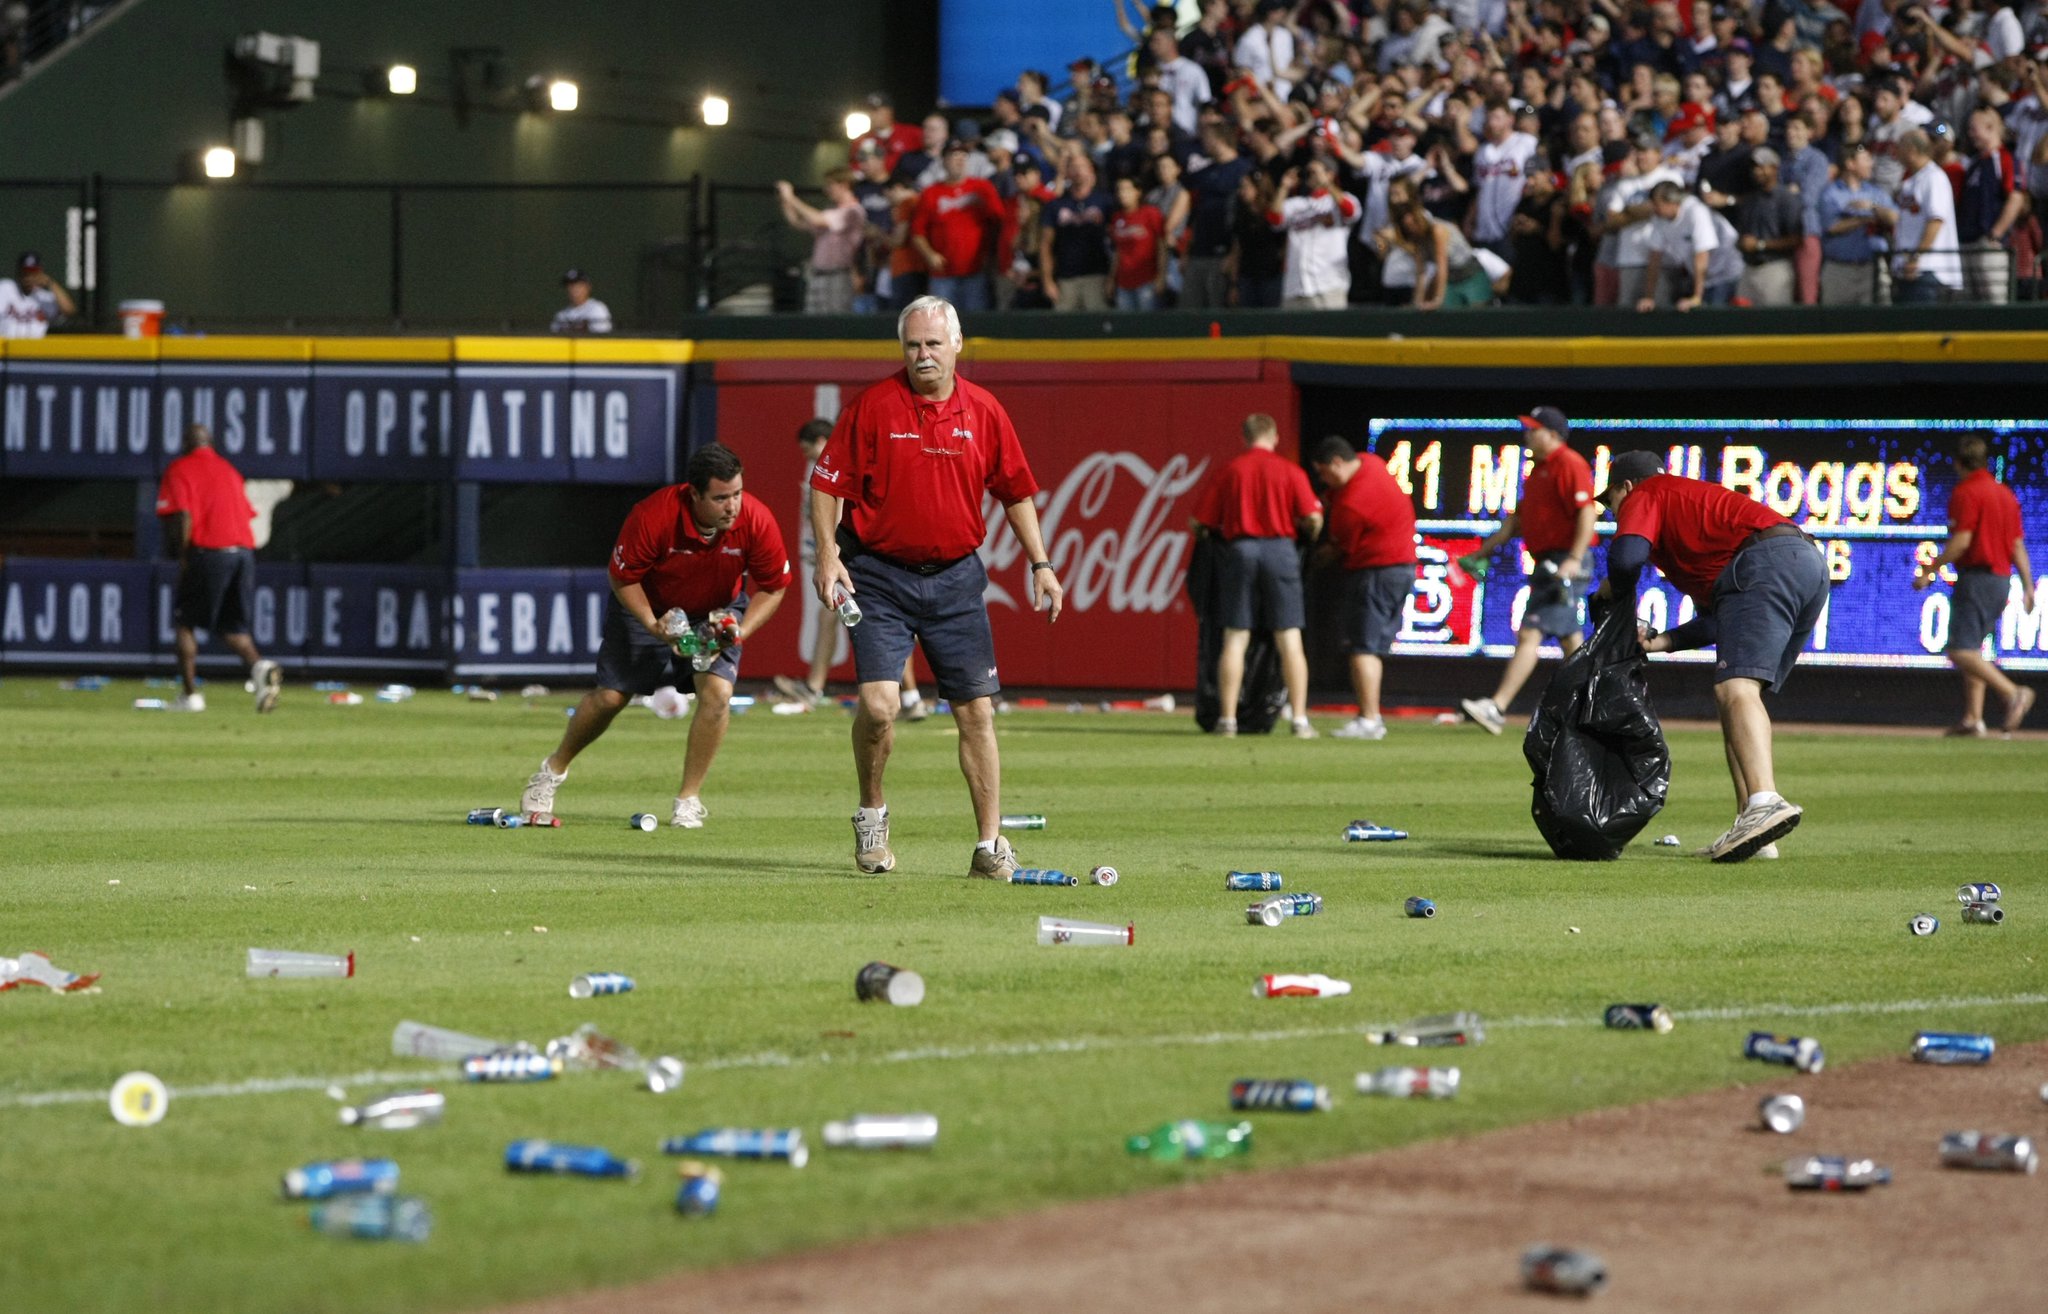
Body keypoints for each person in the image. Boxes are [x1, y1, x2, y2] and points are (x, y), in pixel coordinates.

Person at [808, 296, 1064, 878]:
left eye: (932, 344)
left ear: (957, 345)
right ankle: (871, 816)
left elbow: (1016, 491)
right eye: (912, 345)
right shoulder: (872, 406)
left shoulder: (986, 411)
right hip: (877, 577)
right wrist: (828, 554)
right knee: (878, 706)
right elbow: (825, 486)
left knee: (976, 712)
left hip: (955, 581)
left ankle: (990, 846)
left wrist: (1040, 564)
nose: (922, 355)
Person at [520, 443, 790, 828]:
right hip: (652, 605)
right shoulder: (655, 515)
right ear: (694, 494)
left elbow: (775, 586)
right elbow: (622, 576)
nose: (732, 506)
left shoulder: (755, 519)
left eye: (737, 494)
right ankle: (551, 771)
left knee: (717, 695)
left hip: (716, 612)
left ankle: (688, 799)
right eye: (720, 498)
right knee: (611, 697)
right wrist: (651, 624)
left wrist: (740, 631)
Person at [1595, 449, 1829, 863]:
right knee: (1738, 695)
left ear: (1625, 487)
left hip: (1764, 563)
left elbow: (1627, 558)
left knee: (1735, 688)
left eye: (1611, 502)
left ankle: (1765, 801)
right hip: (1806, 564)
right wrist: (1660, 642)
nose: (1615, 514)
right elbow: (1716, 622)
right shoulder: (1690, 510)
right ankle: (1754, 828)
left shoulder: (1647, 493)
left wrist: (1607, 593)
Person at [774, 419, 929, 721]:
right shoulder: (831, 465)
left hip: (859, 557)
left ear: (822, 440)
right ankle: (818, 688)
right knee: (834, 619)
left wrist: (831, 554)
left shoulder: (844, 463)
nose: (807, 457)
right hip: (851, 556)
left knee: (891, 625)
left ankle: (910, 697)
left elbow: (845, 513)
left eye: (809, 450)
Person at [1458, 407, 1598, 736]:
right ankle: (1597, 706)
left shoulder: (1569, 463)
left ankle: (1497, 706)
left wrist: (1574, 559)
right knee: (1570, 640)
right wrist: (1482, 551)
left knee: (1530, 633)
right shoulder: (1539, 471)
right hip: (1548, 562)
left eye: (1534, 429)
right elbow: (1515, 523)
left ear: (1552, 434)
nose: (1527, 435)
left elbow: (1587, 513)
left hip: (1564, 561)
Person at [1193, 413, 1325, 739]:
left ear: (1245, 437)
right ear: (1275, 436)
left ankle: (1227, 720)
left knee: (1236, 637)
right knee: (1289, 637)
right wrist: (1308, 535)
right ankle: (1299, 720)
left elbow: (1198, 523)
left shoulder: (1230, 470)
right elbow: (1312, 516)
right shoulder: (1289, 470)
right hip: (1280, 551)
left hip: (1240, 551)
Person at [1913, 436, 2036, 737]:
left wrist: (1930, 569)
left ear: (1957, 462)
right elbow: (2017, 544)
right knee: (1973, 648)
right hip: (2001, 580)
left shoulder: (1966, 492)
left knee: (1958, 649)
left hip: (1978, 577)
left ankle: (2012, 692)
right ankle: (1973, 718)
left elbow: (1962, 542)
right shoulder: (2004, 494)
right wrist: (2028, 585)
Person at [155, 423, 281, 715]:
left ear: (187, 442)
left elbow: (183, 514)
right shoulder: (228, 469)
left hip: (209, 551)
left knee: (185, 622)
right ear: (211, 443)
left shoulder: (181, 468)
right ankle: (261, 670)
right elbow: (247, 514)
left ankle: (190, 697)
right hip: (243, 553)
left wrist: (184, 555)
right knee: (232, 628)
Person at [1310, 436, 1417, 741]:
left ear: (1337, 463)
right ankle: (1369, 716)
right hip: (1403, 568)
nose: (1323, 480)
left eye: (1323, 472)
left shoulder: (1351, 504)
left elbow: (1339, 547)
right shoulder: (1372, 462)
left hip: (1376, 572)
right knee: (1371, 648)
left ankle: (1370, 719)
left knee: (1362, 647)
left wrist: (1311, 560)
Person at [910, 140, 1002, 311]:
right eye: (954, 155)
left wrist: (992, 257)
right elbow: (917, 232)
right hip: (942, 273)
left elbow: (998, 221)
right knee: (941, 323)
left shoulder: (982, 187)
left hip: (975, 270)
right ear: (943, 161)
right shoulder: (931, 193)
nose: (959, 160)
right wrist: (929, 254)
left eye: (963, 155)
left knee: (976, 325)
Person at [1638, 179, 1743, 310]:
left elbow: (1702, 256)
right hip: (1704, 278)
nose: (1653, 209)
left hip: (1727, 274)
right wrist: (1648, 297)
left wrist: (1696, 297)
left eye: (1657, 205)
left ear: (1672, 203)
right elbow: (1654, 257)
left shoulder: (1696, 211)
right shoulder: (1659, 218)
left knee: (1714, 321)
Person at [1270, 158, 1361, 309]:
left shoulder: (1341, 200)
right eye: (1309, 172)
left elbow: (1350, 211)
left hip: (1329, 285)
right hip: (1295, 286)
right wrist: (1284, 187)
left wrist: (1327, 184)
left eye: (1314, 172)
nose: (1311, 176)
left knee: (1330, 332)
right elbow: (1274, 220)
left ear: (1330, 174)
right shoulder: (1296, 204)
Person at [776, 169, 866, 314]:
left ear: (844, 185)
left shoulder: (853, 211)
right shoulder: (830, 212)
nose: (827, 190)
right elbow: (797, 223)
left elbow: (817, 219)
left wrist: (792, 198)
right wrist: (786, 202)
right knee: (814, 323)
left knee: (835, 321)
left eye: (831, 185)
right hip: (818, 275)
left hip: (838, 276)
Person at [1815, 142, 1895, 304]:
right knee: (1836, 324)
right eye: (1865, 159)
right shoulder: (1831, 193)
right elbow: (1831, 227)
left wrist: (1872, 207)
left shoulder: (1875, 193)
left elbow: (1894, 217)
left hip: (1871, 267)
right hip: (1839, 269)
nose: (1870, 163)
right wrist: (1865, 219)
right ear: (1850, 163)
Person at [1892, 129, 1963, 303]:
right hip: (1908, 269)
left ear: (1912, 150)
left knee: (1925, 329)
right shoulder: (1911, 181)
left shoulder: (1934, 177)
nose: (1896, 153)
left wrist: (1916, 257)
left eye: (1900, 148)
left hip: (1928, 269)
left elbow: (1936, 220)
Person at [1041, 154, 1114, 311]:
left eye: (1083, 166)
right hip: (1066, 279)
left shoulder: (1105, 202)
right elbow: (1046, 245)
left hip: (1097, 276)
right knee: (1064, 330)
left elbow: (1117, 243)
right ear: (1067, 172)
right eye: (1074, 167)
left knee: (1098, 328)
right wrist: (1047, 281)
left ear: (1091, 171)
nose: (1079, 171)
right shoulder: (1056, 205)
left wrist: (1112, 278)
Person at [1731, 147, 1802, 305]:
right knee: (1741, 322)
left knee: (1775, 323)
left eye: (1762, 166)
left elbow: (1796, 239)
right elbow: (1742, 235)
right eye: (1755, 167)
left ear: (1774, 168)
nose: (1758, 171)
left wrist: (1760, 244)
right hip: (1749, 268)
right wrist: (1742, 243)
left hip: (1775, 268)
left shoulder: (1786, 199)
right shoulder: (1750, 199)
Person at [1109, 175, 1168, 310]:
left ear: (1138, 191)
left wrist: (1161, 275)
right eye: (1119, 190)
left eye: (1127, 189)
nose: (1122, 193)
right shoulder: (1117, 217)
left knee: (1148, 325)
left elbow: (1161, 245)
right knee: (1127, 327)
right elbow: (1117, 251)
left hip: (1147, 280)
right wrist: (1112, 279)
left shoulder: (1150, 213)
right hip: (1124, 282)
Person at [1, 251, 75, 338]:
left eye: (33, 272)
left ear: (40, 273)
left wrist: (50, 282)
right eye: (25, 272)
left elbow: (69, 311)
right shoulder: (5, 288)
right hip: (6, 348)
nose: (29, 276)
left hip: (35, 349)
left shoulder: (44, 297)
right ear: (18, 272)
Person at [550, 268, 612, 334]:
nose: (574, 289)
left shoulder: (597, 309)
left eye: (578, 285)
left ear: (588, 287)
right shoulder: (562, 315)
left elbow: (602, 338)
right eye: (570, 286)